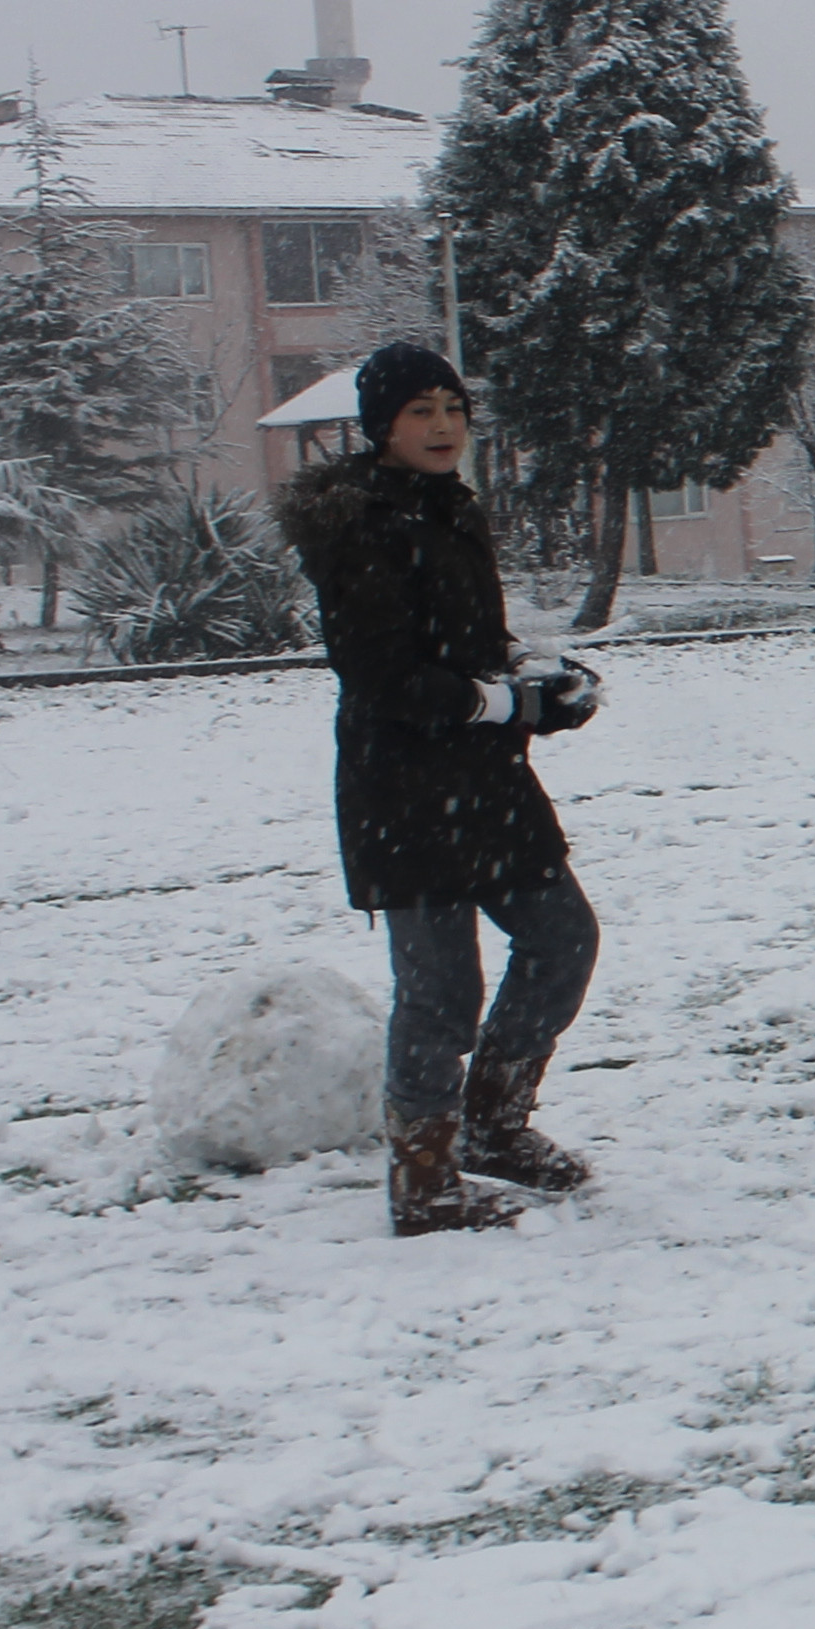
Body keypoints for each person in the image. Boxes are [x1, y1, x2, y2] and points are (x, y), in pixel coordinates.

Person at [276, 343, 603, 1236]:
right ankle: (423, 1181)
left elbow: (468, 642)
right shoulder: (357, 526)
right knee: (439, 990)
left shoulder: (452, 510)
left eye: (453, 409)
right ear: (382, 424)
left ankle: (494, 1127)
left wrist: (540, 682)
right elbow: (385, 677)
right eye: (421, 411)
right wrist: (503, 702)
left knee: (562, 938)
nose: (443, 426)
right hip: (404, 791)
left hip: (485, 780)